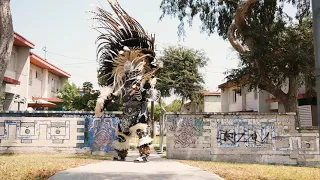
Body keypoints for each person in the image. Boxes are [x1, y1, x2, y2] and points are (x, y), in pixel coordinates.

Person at [88, 0, 162, 162]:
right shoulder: (122, 83)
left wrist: (148, 84)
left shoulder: (144, 80)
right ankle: (121, 155)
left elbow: (151, 95)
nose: (129, 69)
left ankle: (144, 155)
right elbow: (114, 94)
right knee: (122, 133)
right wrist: (103, 102)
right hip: (127, 112)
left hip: (140, 111)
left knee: (141, 132)